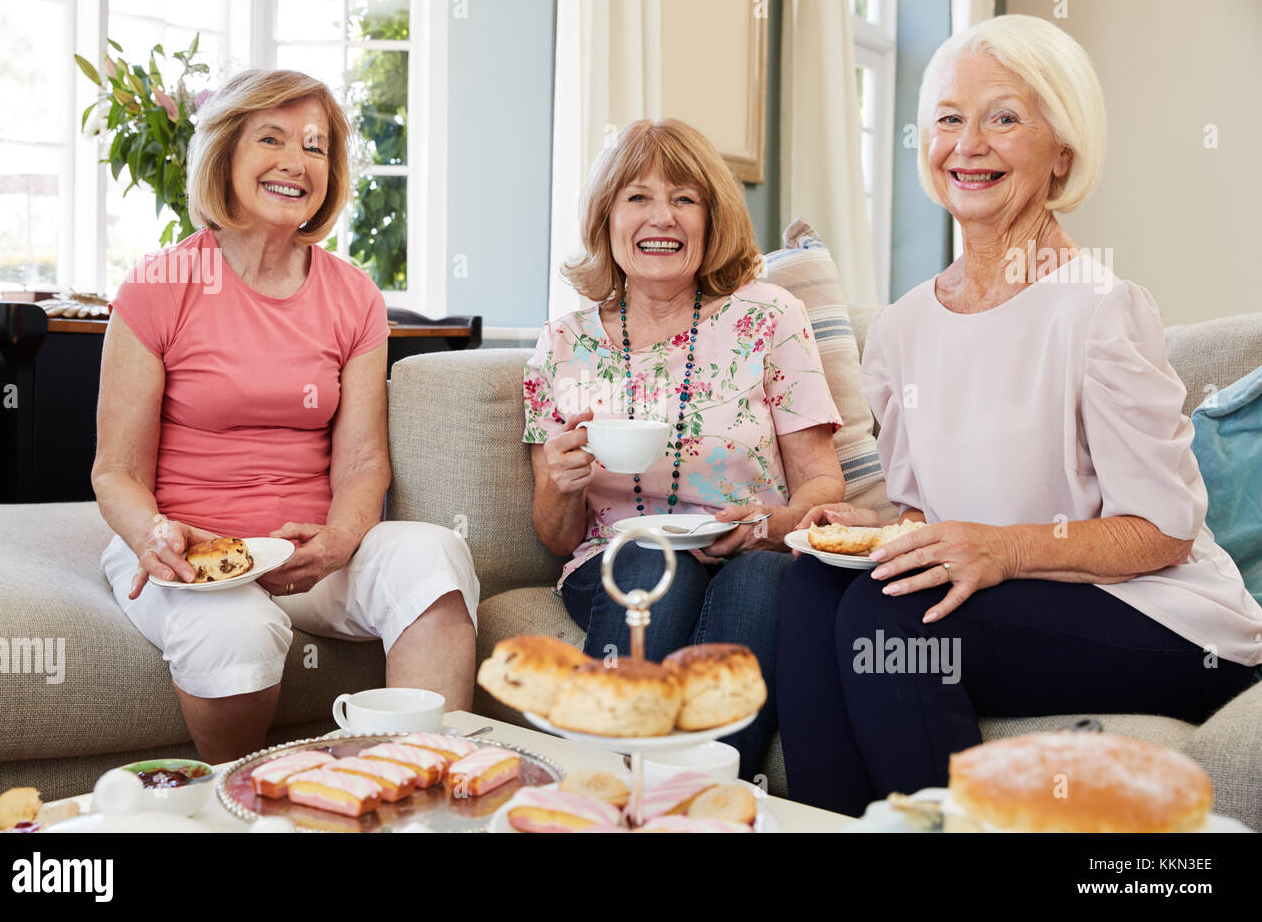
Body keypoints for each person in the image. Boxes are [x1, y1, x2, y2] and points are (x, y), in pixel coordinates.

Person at [776, 15, 1262, 816]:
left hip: (1164, 615)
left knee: (891, 613)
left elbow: (1164, 530)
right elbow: (922, 514)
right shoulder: (900, 329)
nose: (969, 145)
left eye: (1004, 118)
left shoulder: (1099, 311)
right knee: (814, 586)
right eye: (948, 119)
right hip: (1009, 597)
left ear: (1061, 152)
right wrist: (869, 532)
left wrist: (999, 549)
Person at [93, 70, 479, 763]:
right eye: (270, 138)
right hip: (189, 552)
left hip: (310, 555)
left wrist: (337, 539)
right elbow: (116, 470)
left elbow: (363, 463)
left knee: (434, 557)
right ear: (226, 155)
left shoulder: (354, 295)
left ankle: (414, 791)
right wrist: (153, 533)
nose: (296, 162)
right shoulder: (158, 285)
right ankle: (244, 806)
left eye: (315, 146)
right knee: (234, 630)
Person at [525, 119, 846, 776]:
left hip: (755, 548)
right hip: (617, 560)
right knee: (649, 566)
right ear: (606, 217)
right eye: (637, 197)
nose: (661, 217)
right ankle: (606, 793)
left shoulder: (769, 316)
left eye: (684, 198)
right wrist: (560, 482)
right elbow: (558, 538)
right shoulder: (564, 343)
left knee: (761, 580)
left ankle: (695, 805)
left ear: (711, 216)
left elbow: (822, 483)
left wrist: (770, 524)